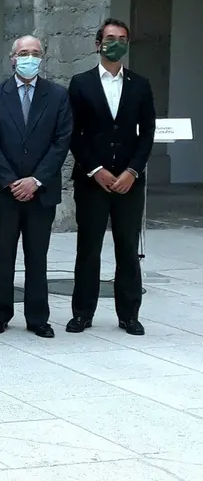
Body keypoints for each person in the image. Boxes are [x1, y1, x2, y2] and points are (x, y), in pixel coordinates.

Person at [67, 19, 155, 336]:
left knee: (127, 249)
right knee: (88, 248)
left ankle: (129, 314)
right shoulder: (81, 83)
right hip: (93, 180)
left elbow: (147, 133)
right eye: (109, 38)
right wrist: (95, 169)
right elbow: (73, 133)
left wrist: (133, 170)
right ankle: (82, 312)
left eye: (121, 38)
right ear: (97, 43)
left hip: (129, 181)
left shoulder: (140, 84)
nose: (115, 42)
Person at [0, 35, 72, 338]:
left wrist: (35, 180)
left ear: (42, 57)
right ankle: (0, 314)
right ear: (12, 58)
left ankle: (37, 318)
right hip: (4, 192)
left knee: (37, 256)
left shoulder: (57, 95)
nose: (29, 58)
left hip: (40, 191)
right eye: (23, 53)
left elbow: (61, 142)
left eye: (35, 53)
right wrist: (11, 181)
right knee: (2, 256)